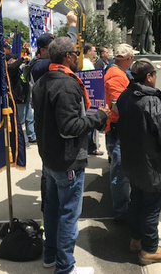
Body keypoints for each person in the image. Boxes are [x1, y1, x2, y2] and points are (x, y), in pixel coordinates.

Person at [33, 37, 111, 274]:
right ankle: (65, 267)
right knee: (68, 214)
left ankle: (51, 256)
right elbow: (69, 127)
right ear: (67, 56)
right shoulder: (66, 85)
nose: (79, 57)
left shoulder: (43, 81)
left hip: (50, 158)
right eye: (76, 53)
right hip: (66, 160)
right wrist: (99, 116)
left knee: (53, 210)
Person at [116, 59, 161, 265]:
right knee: (151, 207)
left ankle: (136, 239)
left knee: (137, 200)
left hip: (132, 160)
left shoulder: (125, 96)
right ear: (149, 77)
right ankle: (150, 249)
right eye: (154, 75)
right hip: (151, 163)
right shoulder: (151, 100)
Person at [104, 44, 135, 220]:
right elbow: (117, 105)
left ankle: (121, 208)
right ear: (127, 59)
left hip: (116, 128)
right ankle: (121, 212)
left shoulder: (115, 72)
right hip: (119, 129)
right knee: (120, 173)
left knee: (120, 171)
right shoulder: (116, 75)